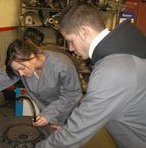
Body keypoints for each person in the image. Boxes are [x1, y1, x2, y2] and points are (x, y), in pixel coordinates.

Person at [35, 1, 146, 148]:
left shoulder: (111, 71)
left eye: (70, 41)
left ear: (83, 31)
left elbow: (74, 135)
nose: (70, 48)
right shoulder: (124, 52)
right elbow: (95, 103)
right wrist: (70, 127)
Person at [0, 39, 82, 127]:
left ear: (33, 57)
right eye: (17, 70)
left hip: (70, 116)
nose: (21, 74)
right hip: (49, 115)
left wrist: (59, 122)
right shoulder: (21, 68)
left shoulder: (62, 65)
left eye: (22, 68)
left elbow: (71, 96)